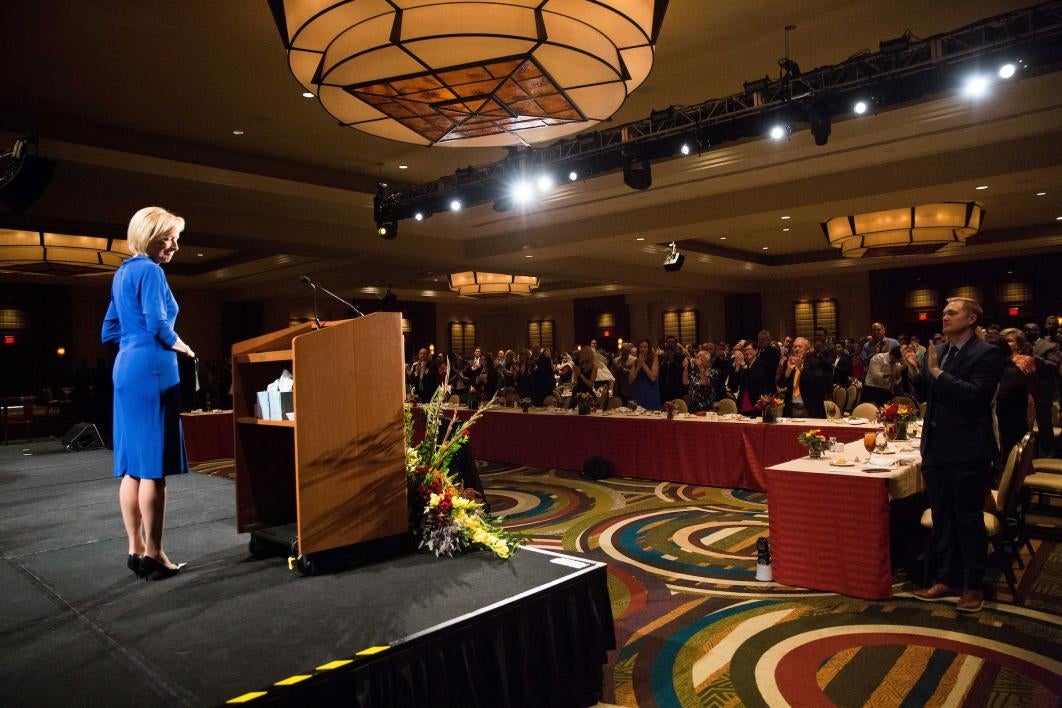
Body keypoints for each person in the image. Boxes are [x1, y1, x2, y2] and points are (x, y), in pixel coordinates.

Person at [101, 206, 194, 581]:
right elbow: (159, 325)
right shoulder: (152, 272)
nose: (174, 246)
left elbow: (108, 330)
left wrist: (132, 341)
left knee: (132, 467)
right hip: (153, 369)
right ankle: (155, 554)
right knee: (153, 468)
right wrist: (185, 348)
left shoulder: (122, 273)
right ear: (151, 237)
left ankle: (135, 549)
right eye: (170, 238)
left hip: (126, 368)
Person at [904, 297, 1002, 612]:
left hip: (967, 450)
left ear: (972, 318)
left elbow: (975, 397)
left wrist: (936, 371)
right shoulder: (941, 352)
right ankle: (946, 578)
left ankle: (973, 586)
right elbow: (930, 397)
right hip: (936, 448)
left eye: (952, 312)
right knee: (943, 518)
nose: (943, 316)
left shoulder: (986, 353)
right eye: (943, 312)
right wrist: (917, 373)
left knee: (967, 520)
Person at [1024, 321, 1061, 457]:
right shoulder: (1020, 345)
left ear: (1038, 331)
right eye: (1026, 330)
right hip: (1022, 390)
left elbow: (1052, 366)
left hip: (1042, 390)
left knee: (1044, 425)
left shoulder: (1050, 346)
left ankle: (1047, 455)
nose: (1028, 333)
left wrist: (1033, 358)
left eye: (1032, 330)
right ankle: (1027, 456)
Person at [777, 336, 831, 418]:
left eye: (800, 347)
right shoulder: (789, 362)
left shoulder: (815, 362)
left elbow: (815, 382)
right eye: (795, 347)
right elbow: (781, 384)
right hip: (791, 408)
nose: (797, 349)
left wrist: (801, 368)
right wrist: (788, 370)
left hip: (810, 409)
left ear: (807, 349)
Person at [628, 339, 661, 409]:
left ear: (648, 349)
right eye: (640, 347)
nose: (642, 349)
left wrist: (643, 364)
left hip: (651, 394)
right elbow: (630, 380)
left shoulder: (654, 359)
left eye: (645, 347)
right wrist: (638, 368)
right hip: (638, 394)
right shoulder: (635, 362)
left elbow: (653, 378)